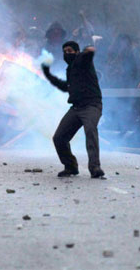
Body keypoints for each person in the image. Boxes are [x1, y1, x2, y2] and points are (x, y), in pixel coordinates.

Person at [42, 41, 105, 178]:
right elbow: (66, 87)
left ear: (77, 52)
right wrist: (48, 75)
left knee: (90, 130)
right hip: (76, 108)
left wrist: (89, 51)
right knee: (59, 138)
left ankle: (95, 167)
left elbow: (87, 56)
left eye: (70, 51)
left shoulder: (83, 61)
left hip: (91, 105)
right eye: (64, 51)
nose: (67, 54)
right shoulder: (70, 69)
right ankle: (70, 166)